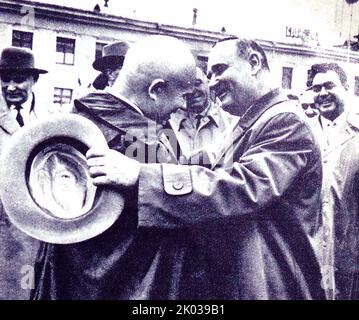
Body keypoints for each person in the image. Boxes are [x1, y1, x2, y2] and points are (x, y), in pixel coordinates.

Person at [80, 37, 326, 299]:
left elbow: (243, 186)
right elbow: (207, 162)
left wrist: (140, 176)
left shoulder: (285, 121)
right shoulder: (254, 120)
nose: (211, 83)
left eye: (220, 70)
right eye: (209, 74)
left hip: (274, 283)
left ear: (254, 62)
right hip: (253, 280)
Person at [31, 35, 199, 300]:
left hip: (64, 278)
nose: (183, 106)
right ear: (155, 90)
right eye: (182, 96)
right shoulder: (145, 139)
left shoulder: (72, 119)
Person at [307, 62, 359, 299]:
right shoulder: (303, 133)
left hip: (350, 252)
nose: (322, 93)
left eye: (329, 85)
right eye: (316, 89)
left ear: (347, 88)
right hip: (311, 249)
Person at [0, 46, 48, 299]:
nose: (11, 87)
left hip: (36, 231)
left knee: (28, 288)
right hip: (2, 228)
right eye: (5, 79)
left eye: (19, 79)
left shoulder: (48, 120)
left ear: (34, 80)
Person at [168, 67, 239, 163]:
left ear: (208, 82)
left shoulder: (233, 124)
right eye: (185, 87)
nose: (192, 91)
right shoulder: (167, 125)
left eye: (197, 83)